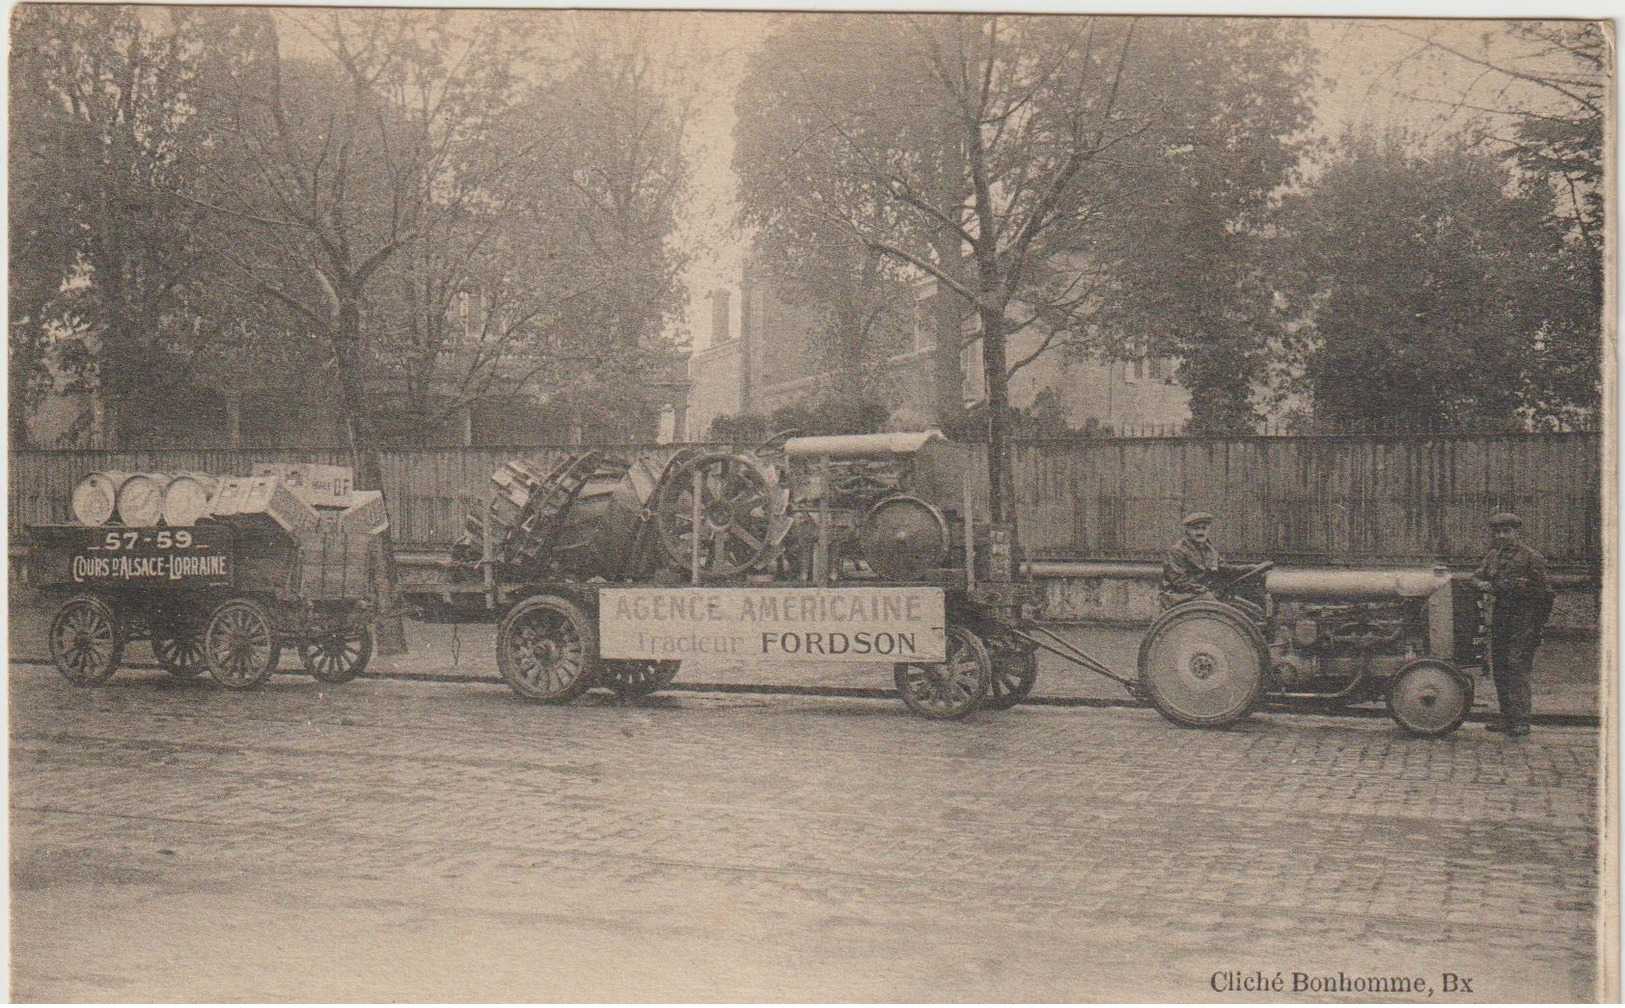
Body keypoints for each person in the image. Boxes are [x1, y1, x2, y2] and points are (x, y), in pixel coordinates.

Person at [1470, 512, 1553, 738]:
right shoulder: (1493, 557)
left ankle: (1521, 720)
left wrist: (1538, 625)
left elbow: (1546, 593)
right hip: (1501, 618)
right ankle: (1506, 717)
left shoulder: (1531, 557)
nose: (1502, 536)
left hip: (1524, 620)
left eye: (1507, 532)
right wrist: (1484, 585)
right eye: (1498, 532)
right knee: (1501, 667)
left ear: (1517, 532)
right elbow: (1476, 578)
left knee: (1517, 667)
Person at [1160, 511, 1222, 609]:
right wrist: (1204, 590)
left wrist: (1248, 568)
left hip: (1201, 592)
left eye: (1204, 528)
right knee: (1216, 606)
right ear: (1188, 530)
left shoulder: (1210, 550)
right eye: (1196, 528)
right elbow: (1179, 580)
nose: (1200, 532)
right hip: (1180, 595)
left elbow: (1223, 568)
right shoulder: (1177, 550)